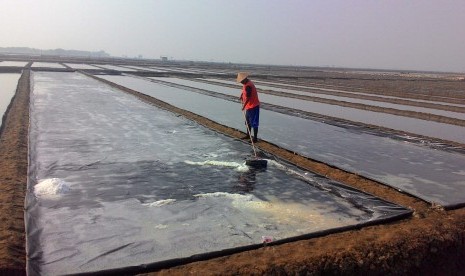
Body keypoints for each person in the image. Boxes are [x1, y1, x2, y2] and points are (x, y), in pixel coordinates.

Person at [237, 72, 260, 143]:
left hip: (253, 106)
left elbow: (248, 97)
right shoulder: (246, 83)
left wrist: (243, 106)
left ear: (244, 79)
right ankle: (248, 135)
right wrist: (241, 95)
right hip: (249, 106)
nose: (241, 82)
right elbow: (244, 92)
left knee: (254, 122)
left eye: (241, 81)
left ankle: (255, 138)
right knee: (247, 122)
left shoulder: (248, 86)